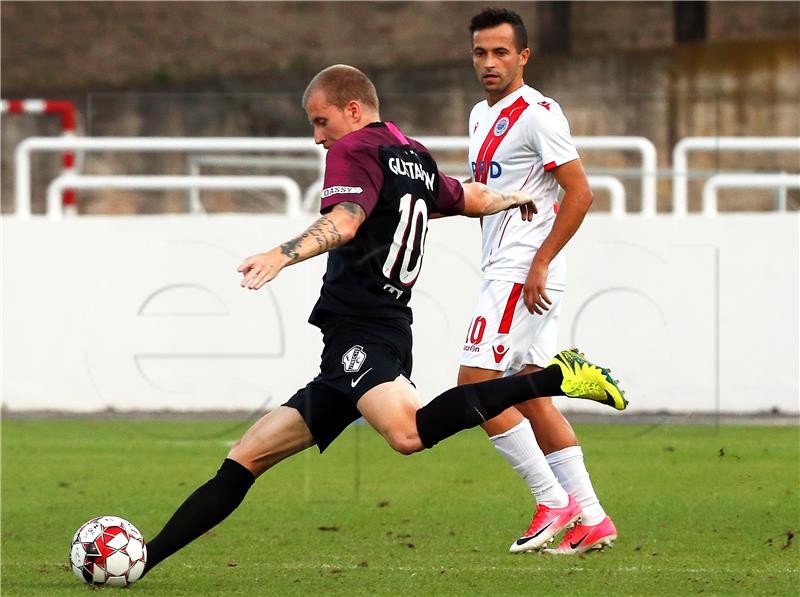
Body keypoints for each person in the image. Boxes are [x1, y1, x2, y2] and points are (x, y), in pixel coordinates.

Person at [140, 64, 626, 576]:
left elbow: (345, 220)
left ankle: (558, 376)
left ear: (353, 110)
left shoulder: (356, 151)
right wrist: (514, 198)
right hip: (357, 345)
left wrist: (283, 254)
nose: (318, 137)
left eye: (321, 121)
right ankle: (145, 559)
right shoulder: (411, 153)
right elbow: (468, 196)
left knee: (408, 434)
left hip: (365, 333)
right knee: (247, 456)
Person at [457, 8, 619, 555]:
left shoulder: (539, 113)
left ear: (523, 55)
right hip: (508, 270)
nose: (489, 62)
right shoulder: (481, 115)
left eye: (501, 52)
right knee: (530, 393)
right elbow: (486, 195)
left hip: (522, 274)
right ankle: (592, 517)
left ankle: (552, 500)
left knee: (475, 387)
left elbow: (581, 193)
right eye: (481, 52)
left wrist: (540, 262)